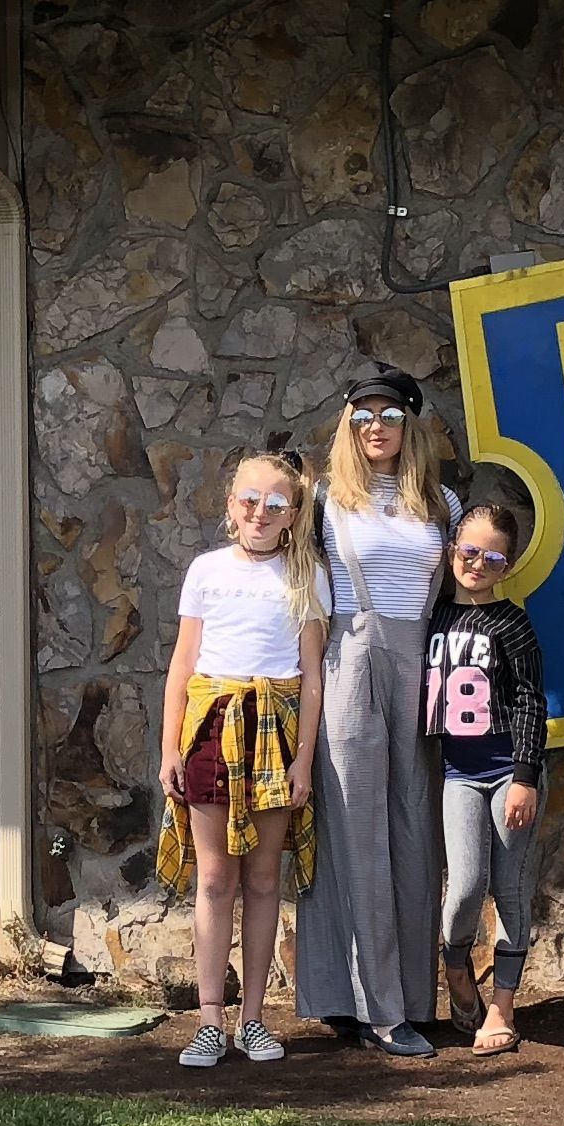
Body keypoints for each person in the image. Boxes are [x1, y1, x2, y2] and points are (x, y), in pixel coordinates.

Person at [292, 366, 459, 1056]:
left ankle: (411, 1000)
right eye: (362, 416)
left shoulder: (442, 502)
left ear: (409, 424)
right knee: (352, 829)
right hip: (351, 655)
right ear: (348, 426)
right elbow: (299, 593)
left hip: (420, 657)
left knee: (416, 829)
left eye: (388, 415)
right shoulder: (326, 501)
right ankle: (362, 1005)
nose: (375, 427)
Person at [156, 447, 328, 1068]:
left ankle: (254, 1019)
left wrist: (302, 761)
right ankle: (209, 1020)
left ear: (293, 514)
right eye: (250, 500)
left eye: (275, 504)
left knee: (261, 882)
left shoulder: (307, 577)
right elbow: (182, 663)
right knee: (214, 879)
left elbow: (311, 676)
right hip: (211, 730)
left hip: (275, 735)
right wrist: (169, 746)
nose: (260, 513)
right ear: (231, 507)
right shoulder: (205, 570)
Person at [423, 491, 549, 1056]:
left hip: (507, 772)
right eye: (469, 552)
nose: (477, 565)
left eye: (492, 559)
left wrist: (525, 774)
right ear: (453, 551)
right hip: (458, 773)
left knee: (509, 887)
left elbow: (530, 700)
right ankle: (454, 970)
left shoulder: (512, 624)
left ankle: (502, 1005)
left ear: (508, 567)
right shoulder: (433, 618)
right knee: (466, 885)